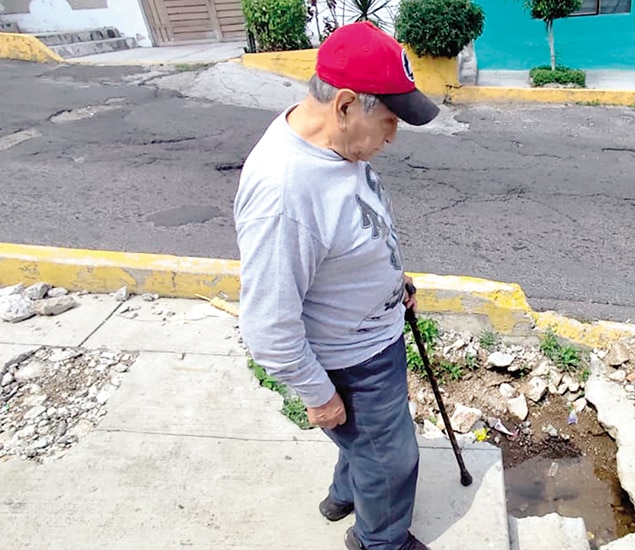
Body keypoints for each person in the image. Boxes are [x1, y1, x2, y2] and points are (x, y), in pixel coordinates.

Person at [233, 21, 440, 550]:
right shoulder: (285, 192)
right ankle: (380, 541)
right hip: (351, 360)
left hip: (370, 335)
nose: (392, 137)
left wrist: (393, 280)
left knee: (366, 445)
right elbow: (268, 326)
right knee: (392, 460)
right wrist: (319, 395)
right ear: (345, 104)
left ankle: (345, 494)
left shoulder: (334, 147)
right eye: (389, 120)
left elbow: (347, 236)